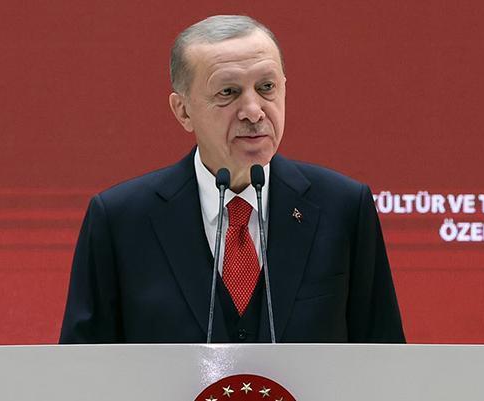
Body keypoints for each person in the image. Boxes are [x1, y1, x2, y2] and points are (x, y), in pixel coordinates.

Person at [59, 15, 404, 344]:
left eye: (266, 87)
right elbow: (82, 368)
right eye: (228, 92)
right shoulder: (120, 221)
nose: (253, 111)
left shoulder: (343, 208)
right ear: (183, 111)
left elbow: (385, 360)